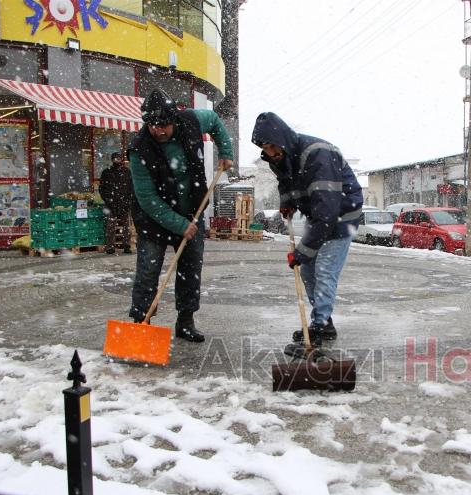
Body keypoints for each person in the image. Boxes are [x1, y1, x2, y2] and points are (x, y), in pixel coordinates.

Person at [128, 89, 233, 343]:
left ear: (174, 119)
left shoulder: (192, 121)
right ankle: (142, 322)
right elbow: (147, 199)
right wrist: (178, 224)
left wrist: (226, 152)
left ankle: (185, 321)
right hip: (154, 220)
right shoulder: (139, 149)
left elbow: (216, 122)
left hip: (191, 211)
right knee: (148, 271)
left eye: (163, 124)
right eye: (152, 125)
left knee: (190, 269)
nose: (158, 130)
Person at [251, 112, 363, 345]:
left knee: (324, 271)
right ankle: (324, 322)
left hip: (340, 216)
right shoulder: (280, 157)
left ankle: (319, 327)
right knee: (308, 272)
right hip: (319, 214)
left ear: (281, 138)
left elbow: (327, 211)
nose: (271, 153)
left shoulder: (318, 155)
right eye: (266, 148)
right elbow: (286, 182)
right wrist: (287, 202)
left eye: (272, 147)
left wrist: (302, 252)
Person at [99, 152, 134, 254]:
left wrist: (128, 201)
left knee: (127, 226)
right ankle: (110, 247)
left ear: (121, 160)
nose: (117, 160)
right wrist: (108, 200)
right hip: (111, 204)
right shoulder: (107, 172)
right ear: (112, 160)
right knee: (110, 226)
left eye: (118, 158)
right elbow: (102, 188)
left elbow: (131, 188)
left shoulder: (127, 172)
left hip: (125, 204)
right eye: (115, 159)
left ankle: (127, 246)